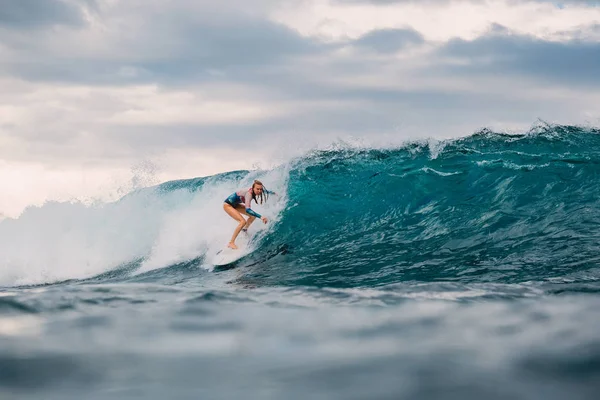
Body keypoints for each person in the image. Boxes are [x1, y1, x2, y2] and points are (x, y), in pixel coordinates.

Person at [223, 180, 276, 249]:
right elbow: (248, 209)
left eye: (260, 189)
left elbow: (264, 191)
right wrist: (261, 217)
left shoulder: (257, 190)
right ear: (253, 188)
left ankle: (244, 230)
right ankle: (231, 242)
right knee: (243, 222)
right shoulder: (249, 194)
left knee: (252, 216)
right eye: (257, 189)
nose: (259, 191)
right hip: (228, 205)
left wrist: (273, 193)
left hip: (236, 204)